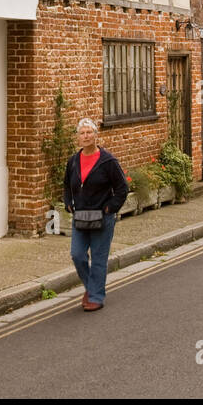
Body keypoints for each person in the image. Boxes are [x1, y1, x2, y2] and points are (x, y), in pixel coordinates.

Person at [63, 118, 128, 312]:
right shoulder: (73, 161)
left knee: (99, 259)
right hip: (80, 217)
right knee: (77, 255)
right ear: (78, 137)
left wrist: (110, 208)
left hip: (103, 217)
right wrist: (68, 203)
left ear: (95, 135)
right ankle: (92, 288)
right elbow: (67, 185)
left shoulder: (108, 161)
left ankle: (96, 297)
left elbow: (122, 188)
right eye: (82, 133)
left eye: (89, 132)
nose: (85, 136)